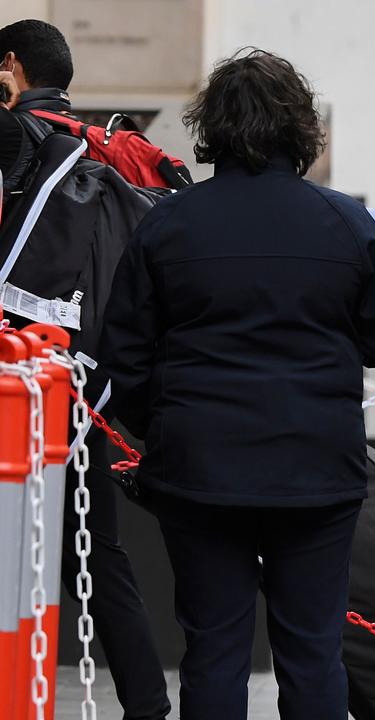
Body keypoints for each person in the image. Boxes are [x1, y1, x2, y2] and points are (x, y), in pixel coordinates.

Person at [99, 49, 375, 720]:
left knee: (213, 649)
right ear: (299, 129)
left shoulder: (168, 222)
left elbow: (122, 355)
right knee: (312, 652)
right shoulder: (347, 223)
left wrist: (162, 427)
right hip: (315, 467)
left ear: (211, 126)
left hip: (200, 467)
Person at [0, 21, 173, 720]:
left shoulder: (17, 138)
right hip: (85, 379)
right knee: (100, 554)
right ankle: (148, 704)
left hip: (20, 379)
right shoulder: (114, 147)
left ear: (9, 67)